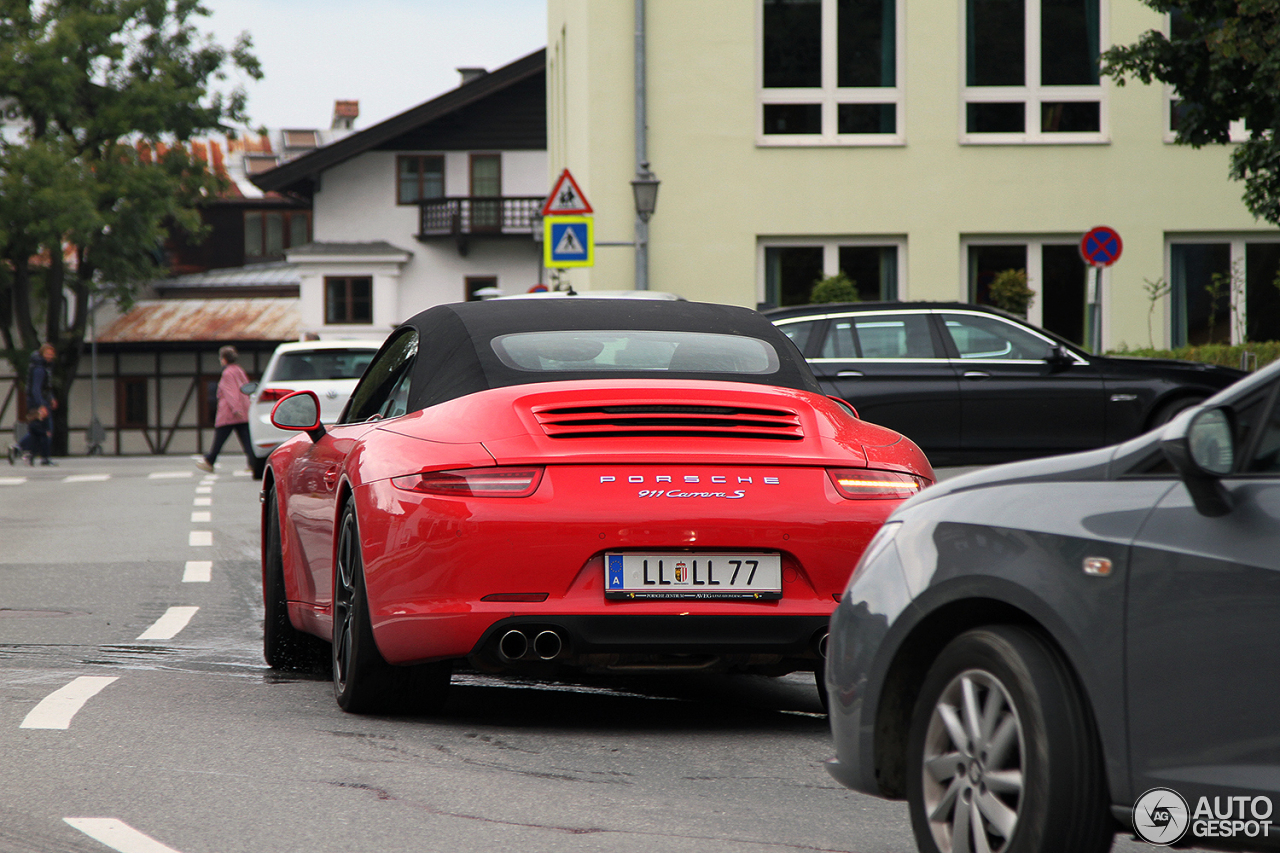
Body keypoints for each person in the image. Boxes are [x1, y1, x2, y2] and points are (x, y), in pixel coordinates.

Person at [197, 345, 254, 473]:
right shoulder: (239, 370)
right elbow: (246, 388)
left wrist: (236, 409)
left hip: (229, 413)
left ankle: (210, 461)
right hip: (243, 412)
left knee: (219, 439)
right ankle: (253, 463)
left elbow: (230, 392)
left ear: (224, 359)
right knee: (246, 440)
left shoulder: (227, 373)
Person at [9, 343, 56, 466]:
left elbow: (47, 387)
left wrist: (51, 398)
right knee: (46, 430)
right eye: (48, 353)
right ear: (42, 354)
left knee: (36, 430)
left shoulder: (44, 367)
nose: (50, 356)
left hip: (40, 400)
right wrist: (41, 405)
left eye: (52, 354)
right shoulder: (39, 369)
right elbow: (36, 388)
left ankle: (18, 449)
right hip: (38, 402)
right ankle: (44, 458)